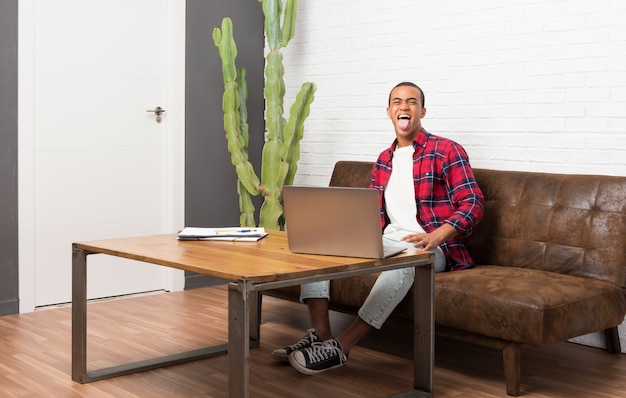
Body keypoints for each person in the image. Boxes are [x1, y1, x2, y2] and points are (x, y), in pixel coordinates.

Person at [272, 81, 485, 375]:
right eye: (397, 102)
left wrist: (438, 234)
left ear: (422, 110)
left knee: (404, 263)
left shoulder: (446, 150)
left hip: (431, 247)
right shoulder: (384, 160)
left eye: (412, 101)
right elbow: (374, 212)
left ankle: (341, 346)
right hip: (387, 241)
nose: (404, 106)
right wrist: (345, 233)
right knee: (320, 250)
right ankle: (321, 336)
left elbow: (473, 202)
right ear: (389, 112)